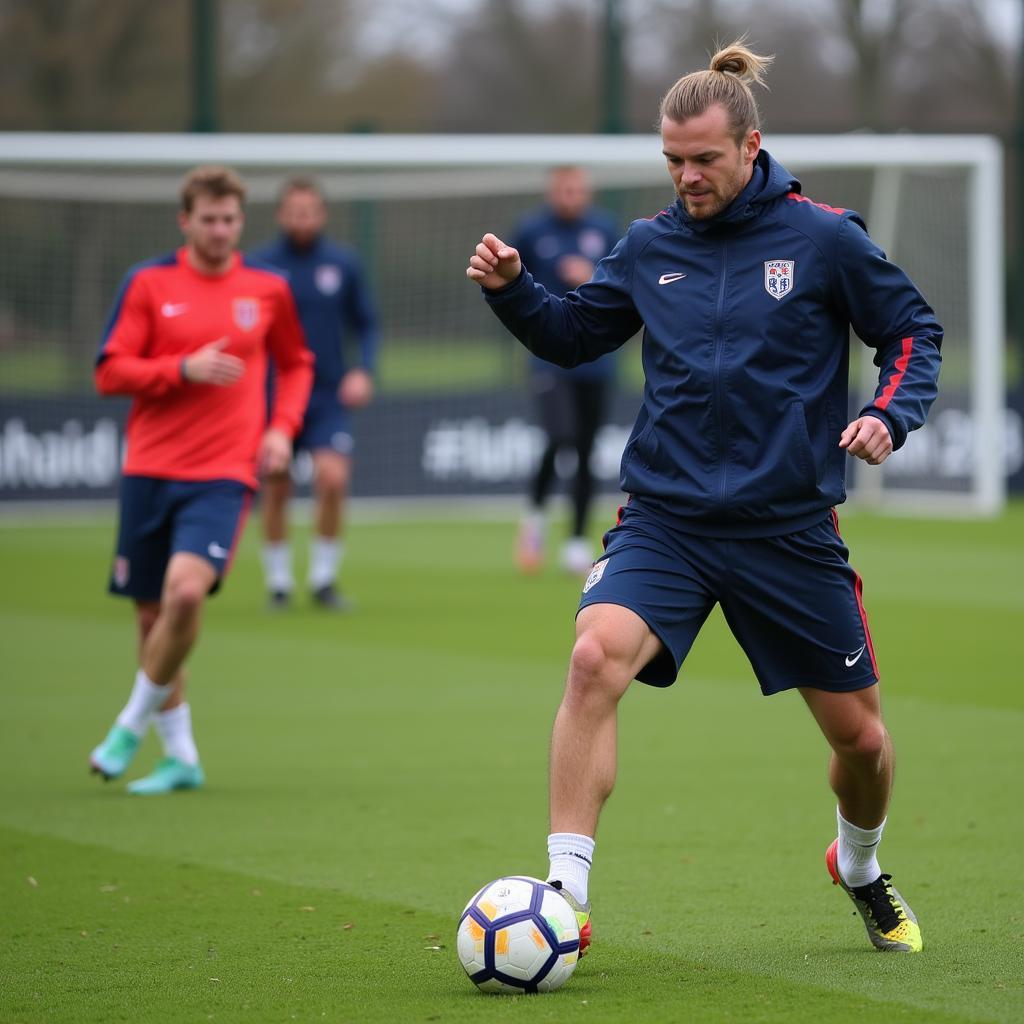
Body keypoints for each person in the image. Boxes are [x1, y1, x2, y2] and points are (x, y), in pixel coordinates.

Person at [467, 41, 942, 955]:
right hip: (668, 520)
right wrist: (514, 290)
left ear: (750, 145)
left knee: (863, 745)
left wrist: (891, 413)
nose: (686, 177)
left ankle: (861, 863)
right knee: (593, 656)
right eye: (672, 161)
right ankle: (564, 898)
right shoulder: (650, 246)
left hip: (788, 530)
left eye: (704, 160)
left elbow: (914, 330)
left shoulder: (824, 237)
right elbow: (573, 336)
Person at [89, 165, 313, 795]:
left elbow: (297, 365)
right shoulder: (149, 283)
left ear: (241, 223)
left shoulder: (267, 289)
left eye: (230, 219)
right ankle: (182, 756)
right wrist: (178, 368)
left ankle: (129, 725)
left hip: (224, 472)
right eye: (209, 219)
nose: (220, 230)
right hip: (149, 469)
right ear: (185, 221)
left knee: (186, 595)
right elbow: (109, 372)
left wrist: (280, 429)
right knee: (151, 619)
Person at [252, 177, 379, 611]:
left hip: (327, 395)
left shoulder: (341, 263)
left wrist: (363, 369)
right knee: (277, 483)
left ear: (321, 214)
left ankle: (323, 579)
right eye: (294, 210)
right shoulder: (260, 266)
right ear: (280, 215)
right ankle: (279, 583)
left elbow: (366, 323)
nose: (302, 218)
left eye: (309, 210)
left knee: (333, 478)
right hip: (274, 395)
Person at [509, 167, 620, 575]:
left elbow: (617, 284)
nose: (571, 196)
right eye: (564, 189)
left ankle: (575, 540)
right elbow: (513, 282)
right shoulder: (532, 230)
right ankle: (534, 519)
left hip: (596, 360)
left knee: (587, 450)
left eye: (578, 189)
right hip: (548, 358)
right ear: (552, 192)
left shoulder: (603, 229)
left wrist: (589, 276)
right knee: (561, 437)